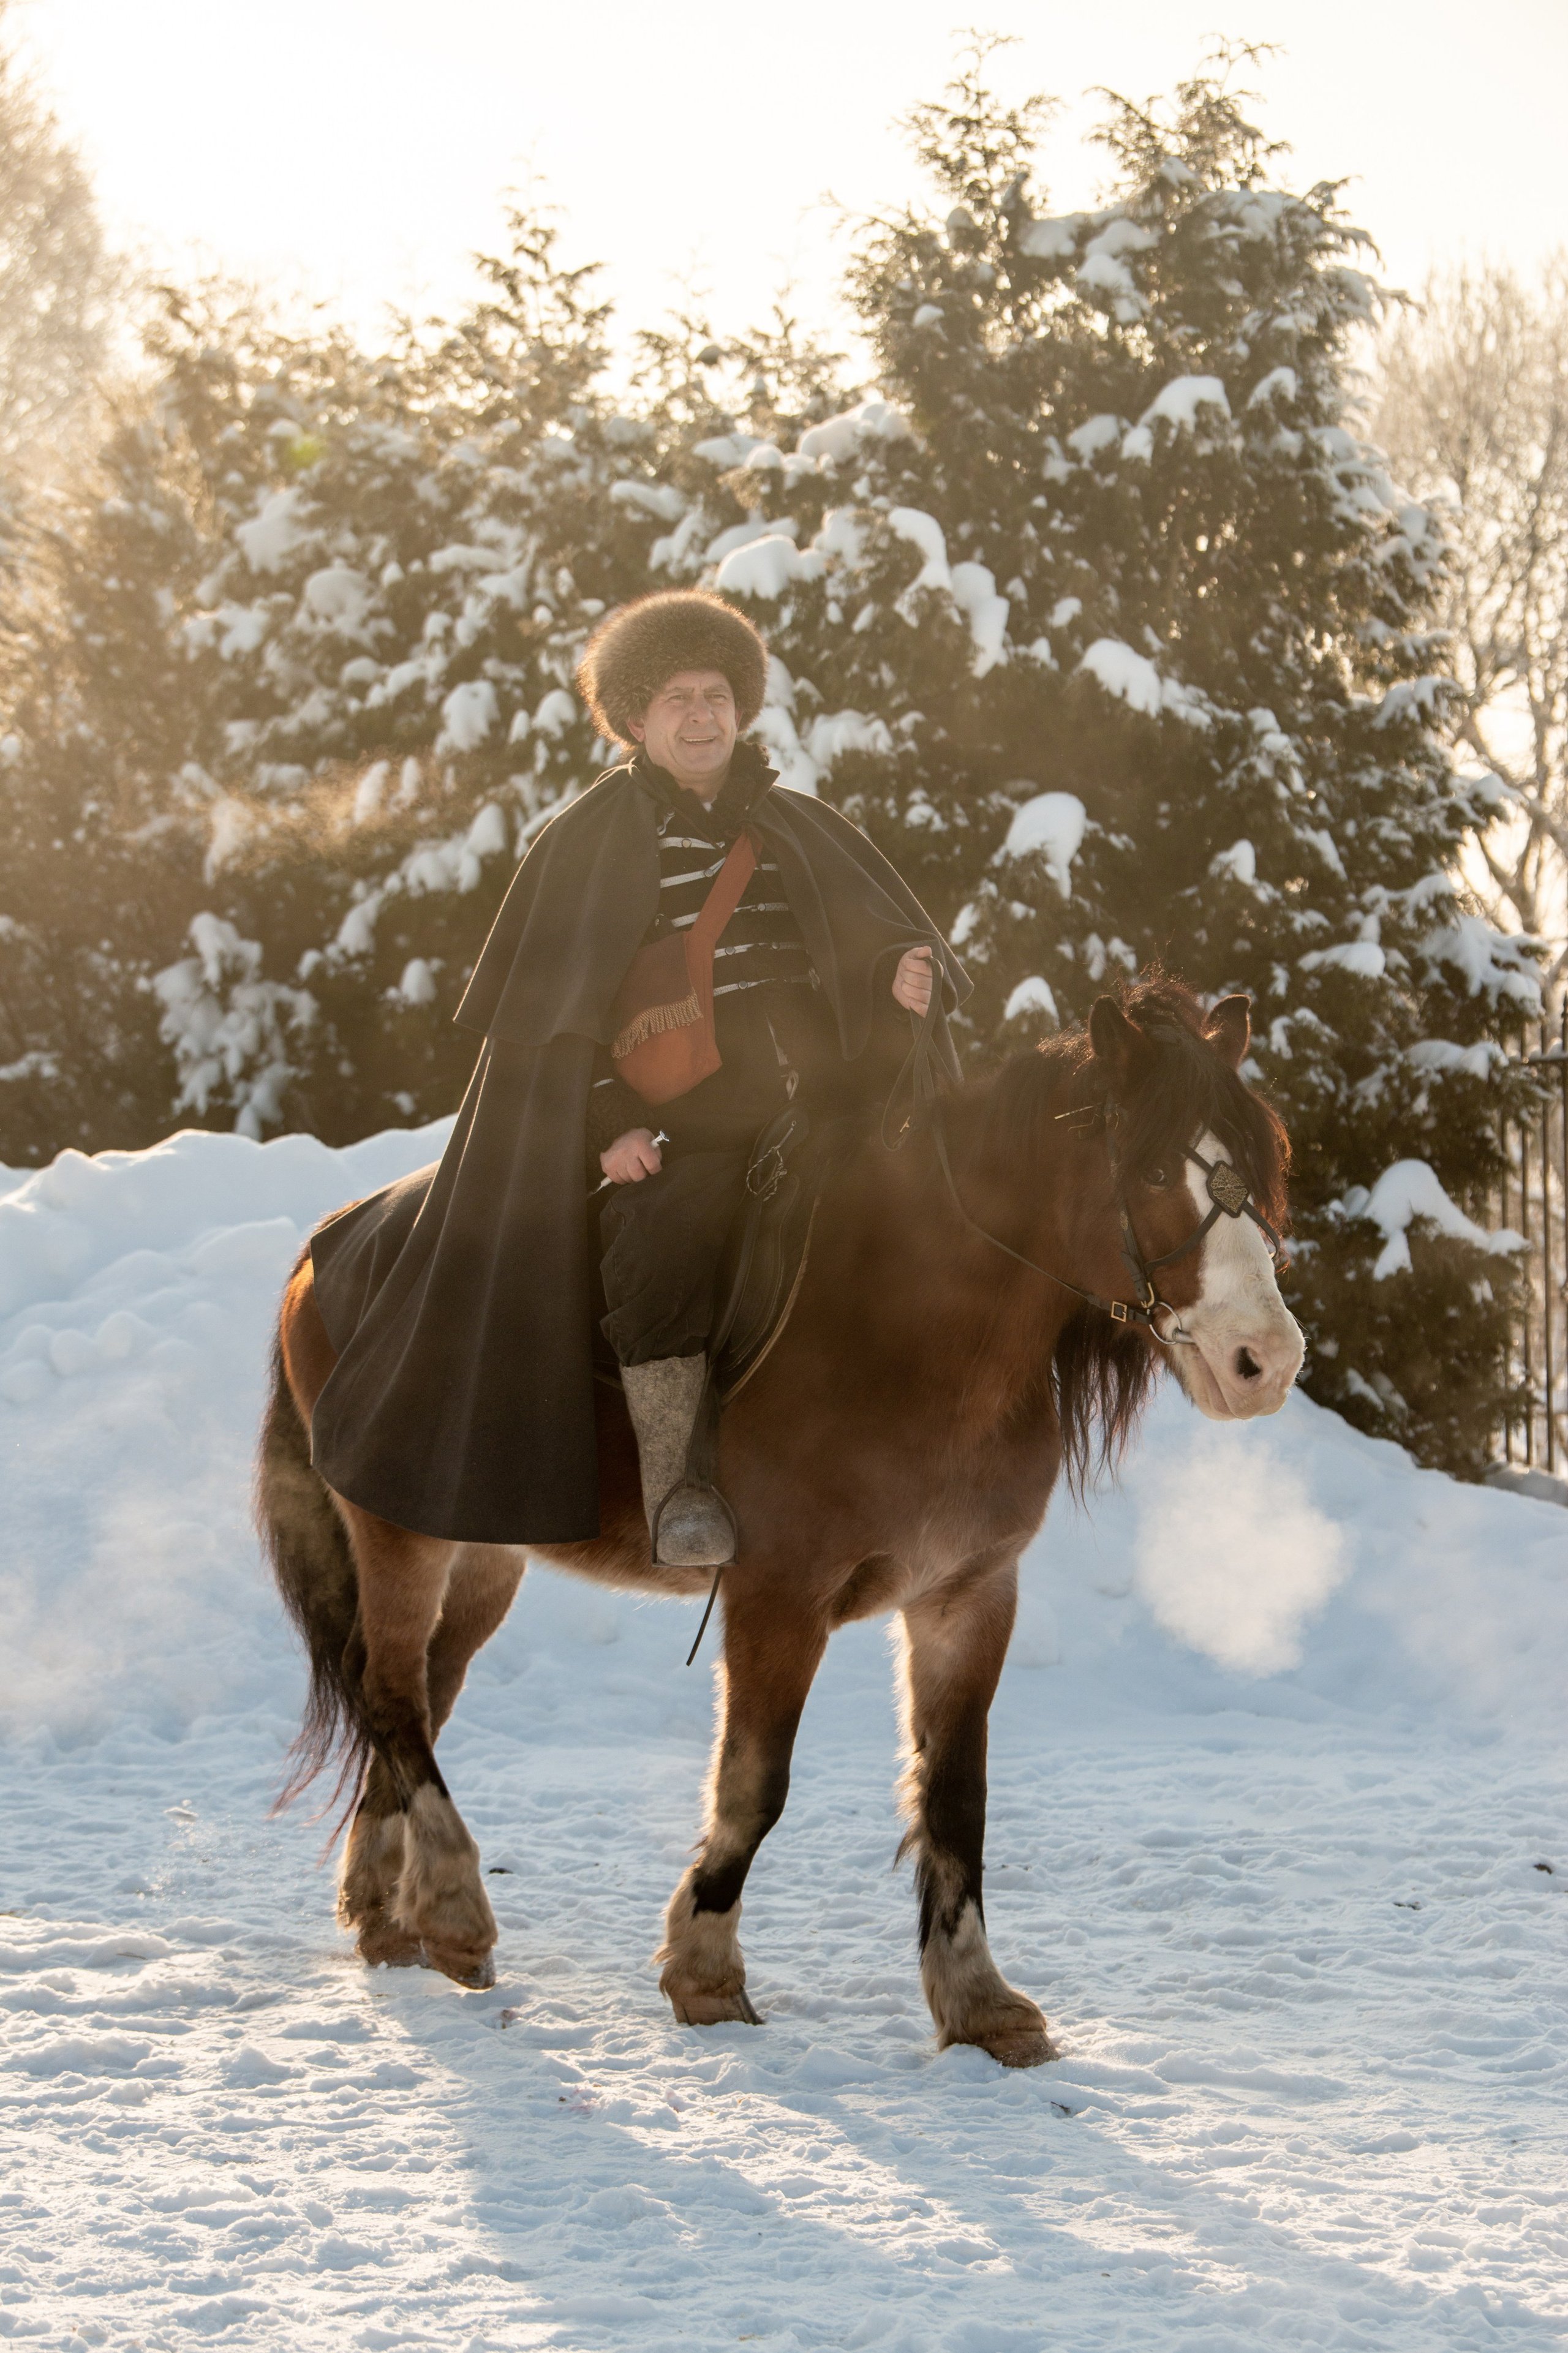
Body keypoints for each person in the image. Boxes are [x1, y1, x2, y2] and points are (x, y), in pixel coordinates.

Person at [307, 590, 968, 1563]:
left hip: (815, 1112)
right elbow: (557, 1024)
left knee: (925, 1220)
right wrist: (606, 1127)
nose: (701, 717)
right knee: (660, 1238)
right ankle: (680, 1485)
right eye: (676, 699)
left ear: (741, 708)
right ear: (634, 718)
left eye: (716, 696)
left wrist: (899, 976)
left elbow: (875, 946)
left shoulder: (800, 827)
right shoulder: (590, 842)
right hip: (680, 1125)